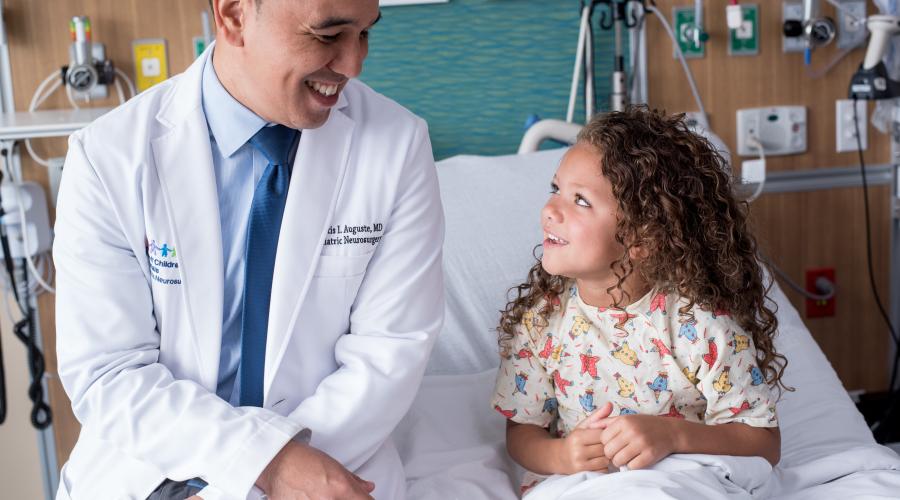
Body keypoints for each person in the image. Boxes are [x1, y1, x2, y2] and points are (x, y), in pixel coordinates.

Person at [52, 0, 444, 499]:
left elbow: (390, 354)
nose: (353, 64)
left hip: (328, 458)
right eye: (328, 36)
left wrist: (267, 477)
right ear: (234, 15)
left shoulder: (397, 146)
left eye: (365, 34)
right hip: (150, 464)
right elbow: (109, 371)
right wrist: (263, 462)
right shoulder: (107, 157)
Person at [491, 106, 787, 496]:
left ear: (643, 238)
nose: (550, 210)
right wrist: (563, 456)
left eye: (580, 200)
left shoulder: (700, 326)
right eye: (555, 190)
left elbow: (764, 443)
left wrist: (673, 435)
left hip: (678, 479)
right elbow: (522, 433)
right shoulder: (542, 322)